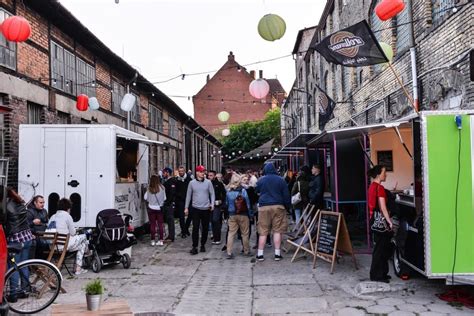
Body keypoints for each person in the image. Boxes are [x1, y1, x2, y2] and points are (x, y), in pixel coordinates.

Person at [255, 163, 291, 261]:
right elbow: (286, 195)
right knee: (277, 231)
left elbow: (256, 191)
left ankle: (260, 254)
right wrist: (288, 207)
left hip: (264, 207)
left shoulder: (261, 180)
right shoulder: (281, 180)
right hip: (278, 206)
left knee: (263, 231)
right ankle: (277, 254)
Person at [4, 187, 35, 302]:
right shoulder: (20, 202)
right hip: (27, 237)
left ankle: (13, 294)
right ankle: (24, 290)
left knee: (13, 267)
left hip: (16, 239)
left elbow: (6, 223)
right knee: (23, 265)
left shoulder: (6, 206)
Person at [48, 198, 88, 275]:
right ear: (68, 208)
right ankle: (79, 266)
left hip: (52, 245)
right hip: (63, 245)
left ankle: (79, 267)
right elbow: (73, 233)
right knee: (84, 237)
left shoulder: (53, 216)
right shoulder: (67, 216)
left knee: (81, 245)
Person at [367, 165, 393, 283]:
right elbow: (383, 207)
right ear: (378, 174)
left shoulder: (371, 186)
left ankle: (381, 273)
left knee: (379, 248)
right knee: (381, 249)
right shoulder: (380, 188)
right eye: (384, 172)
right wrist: (389, 221)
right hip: (381, 221)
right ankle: (377, 275)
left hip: (374, 220)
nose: (385, 174)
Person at [185, 165, 215, 255]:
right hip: (195, 209)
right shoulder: (192, 183)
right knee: (195, 228)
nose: (203, 173)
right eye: (201, 172)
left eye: (204, 172)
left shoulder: (208, 183)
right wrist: (186, 207)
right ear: (197, 172)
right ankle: (194, 246)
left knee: (205, 228)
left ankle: (203, 244)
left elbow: (212, 193)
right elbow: (188, 196)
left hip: (206, 208)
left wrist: (212, 204)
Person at [225, 173, 251, 259]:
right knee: (245, 233)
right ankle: (246, 251)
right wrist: (250, 214)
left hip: (232, 214)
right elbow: (247, 204)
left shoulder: (228, 191)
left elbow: (226, 203)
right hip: (243, 214)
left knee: (231, 233)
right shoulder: (243, 191)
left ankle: (229, 252)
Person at [145, 175, 167, 246]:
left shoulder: (149, 189)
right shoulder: (162, 188)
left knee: (152, 225)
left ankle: (153, 240)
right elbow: (164, 198)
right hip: (159, 208)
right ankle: (161, 240)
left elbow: (145, 198)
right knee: (160, 224)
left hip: (151, 208)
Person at [208, 170, 226, 245]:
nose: (209, 177)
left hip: (216, 205)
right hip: (207, 204)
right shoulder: (206, 183)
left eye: (211, 175)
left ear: (214, 176)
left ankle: (217, 238)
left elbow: (224, 194)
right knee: (211, 221)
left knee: (215, 220)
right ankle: (214, 236)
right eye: (208, 175)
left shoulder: (219, 184)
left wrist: (221, 201)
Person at [176, 166, 193, 238]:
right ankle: (183, 231)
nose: (181, 173)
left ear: (184, 171)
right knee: (181, 217)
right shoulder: (176, 180)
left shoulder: (189, 179)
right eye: (179, 171)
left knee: (190, 215)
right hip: (180, 200)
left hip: (189, 200)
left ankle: (186, 228)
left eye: (182, 171)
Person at [162, 167, 176, 242]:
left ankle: (171, 236)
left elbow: (172, 193)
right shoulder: (167, 181)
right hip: (168, 203)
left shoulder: (171, 181)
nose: (163, 174)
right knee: (168, 220)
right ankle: (170, 235)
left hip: (169, 203)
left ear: (167, 172)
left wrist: (167, 202)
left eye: (164, 173)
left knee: (170, 220)